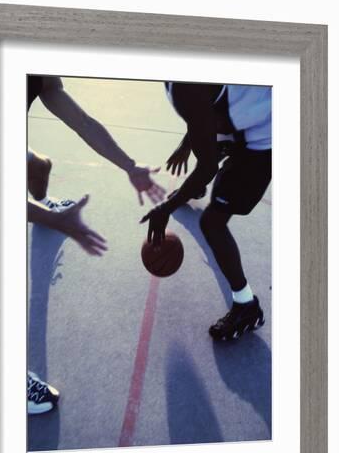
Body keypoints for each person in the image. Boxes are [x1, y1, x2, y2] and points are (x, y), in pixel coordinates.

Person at [27, 75, 165, 413]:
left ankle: (42, 200)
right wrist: (50, 220)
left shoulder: (38, 71)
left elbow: (84, 123)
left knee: (38, 166)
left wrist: (130, 166)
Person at [141, 82, 271, 341]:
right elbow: (206, 106)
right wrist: (187, 143)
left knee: (212, 223)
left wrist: (167, 207)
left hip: (264, 140)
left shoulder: (182, 86)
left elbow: (207, 165)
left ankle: (247, 307)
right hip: (247, 121)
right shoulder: (185, 75)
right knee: (215, 144)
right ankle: (199, 184)